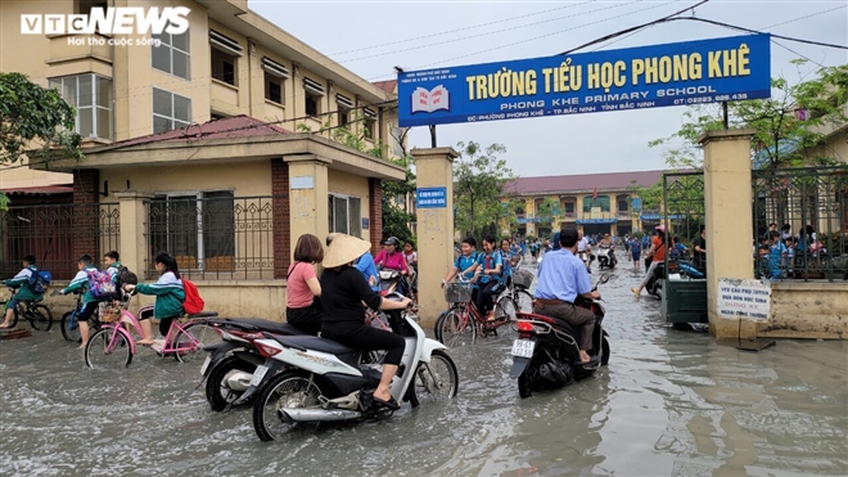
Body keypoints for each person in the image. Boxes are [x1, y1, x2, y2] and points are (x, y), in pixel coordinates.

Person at [320, 234, 411, 410]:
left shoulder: (326, 275)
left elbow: (343, 297)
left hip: (328, 329)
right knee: (396, 343)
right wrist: (402, 303)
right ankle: (382, 390)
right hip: (350, 330)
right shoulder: (352, 274)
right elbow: (376, 302)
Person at [533, 227, 600, 364]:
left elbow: (541, 276)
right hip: (561, 309)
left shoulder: (547, 256)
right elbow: (584, 291)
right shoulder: (576, 263)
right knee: (590, 317)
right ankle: (583, 351)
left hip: (538, 307)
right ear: (576, 243)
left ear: (560, 242)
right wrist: (594, 295)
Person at [123, 252, 185, 345]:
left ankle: (148, 338)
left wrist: (135, 287)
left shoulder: (168, 276)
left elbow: (155, 288)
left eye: (155, 264)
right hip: (171, 304)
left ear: (160, 264)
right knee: (164, 329)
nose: (155, 266)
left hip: (170, 306)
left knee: (142, 312)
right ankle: (176, 348)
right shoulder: (172, 275)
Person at [56, 254, 111, 348]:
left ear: (82, 264)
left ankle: (85, 343)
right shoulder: (99, 271)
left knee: (82, 318)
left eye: (78, 265)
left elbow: (74, 285)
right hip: (106, 296)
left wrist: (63, 291)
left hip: (92, 298)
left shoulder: (83, 272)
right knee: (106, 318)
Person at [285, 234, 324, 335]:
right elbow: (318, 291)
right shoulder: (307, 267)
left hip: (291, 311)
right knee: (333, 321)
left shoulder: (294, 265)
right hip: (304, 313)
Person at [1, 255, 43, 329]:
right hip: (38, 293)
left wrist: (6, 282)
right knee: (27, 302)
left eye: (23, 262)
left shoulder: (26, 271)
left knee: (12, 303)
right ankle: (30, 312)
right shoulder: (36, 270)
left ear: (26, 263)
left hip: (28, 293)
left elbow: (16, 280)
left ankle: (6, 322)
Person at [473, 236, 504, 321]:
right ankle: (485, 320)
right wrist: (463, 273)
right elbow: (474, 266)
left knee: (486, 292)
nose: (484, 248)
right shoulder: (481, 255)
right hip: (483, 281)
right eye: (483, 245)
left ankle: (491, 312)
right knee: (478, 303)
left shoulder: (497, 255)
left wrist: (490, 271)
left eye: (486, 245)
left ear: (493, 244)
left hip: (494, 280)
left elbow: (497, 270)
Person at [631, 225, 667, 296]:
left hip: (657, 261)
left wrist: (648, 256)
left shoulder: (656, 239)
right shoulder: (669, 239)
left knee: (648, 276)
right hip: (666, 262)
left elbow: (651, 250)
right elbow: (671, 249)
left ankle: (639, 290)